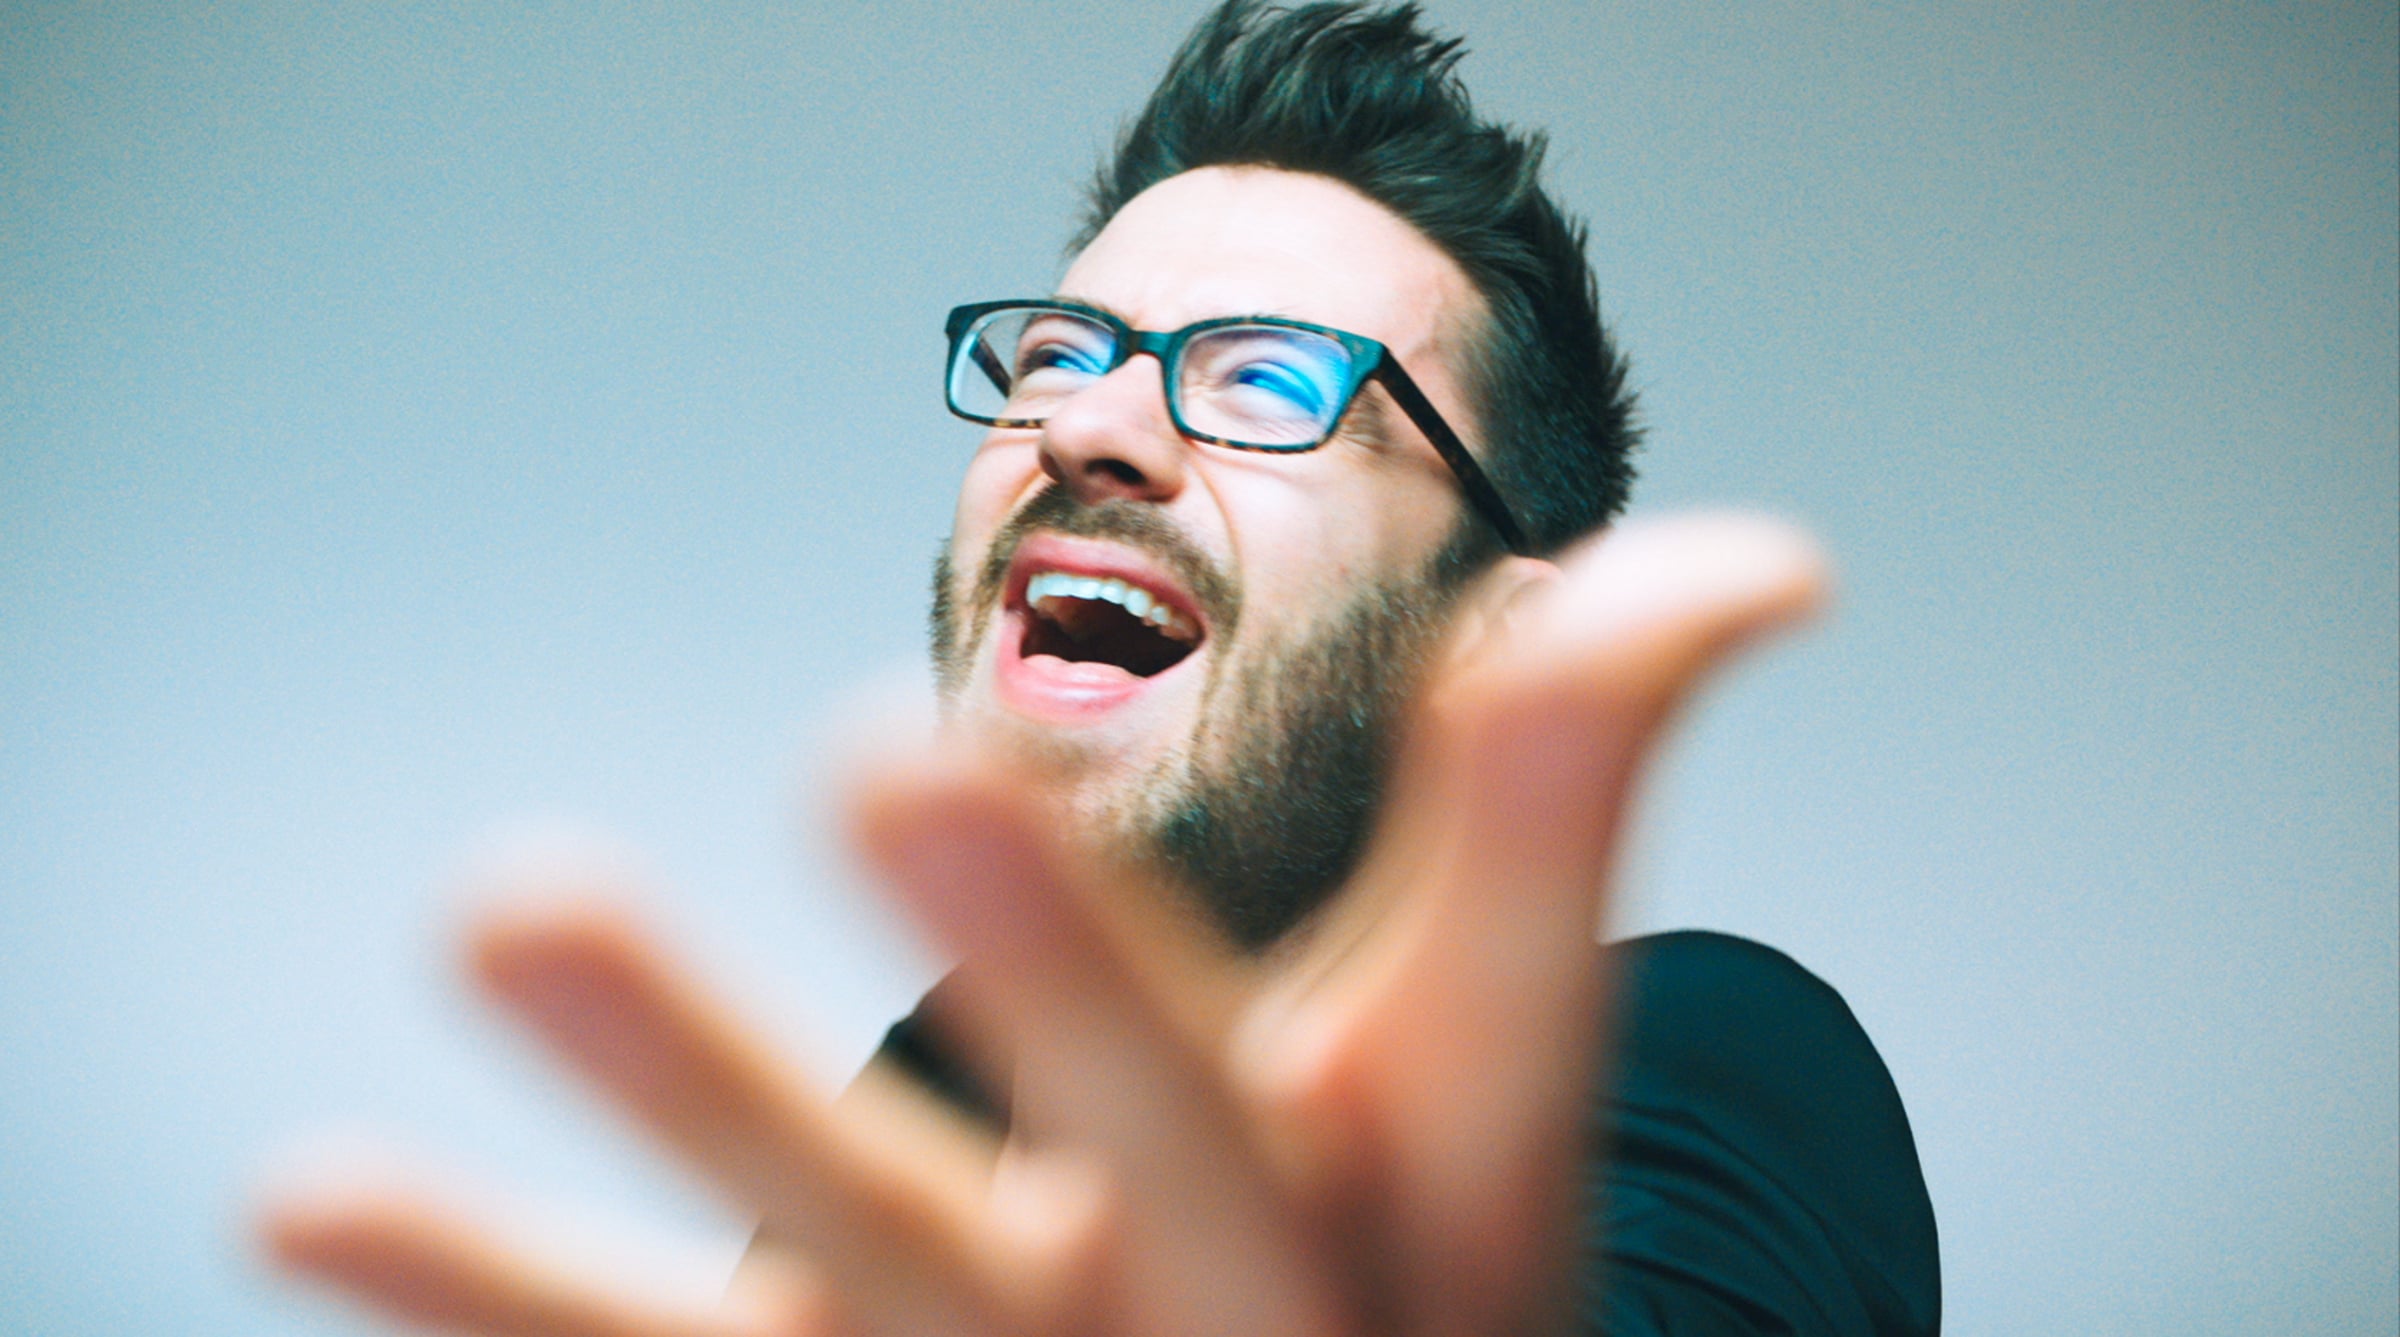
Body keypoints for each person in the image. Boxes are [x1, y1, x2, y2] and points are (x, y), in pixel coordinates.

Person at [257, 2, 1940, 1333]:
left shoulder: (1710, 1059)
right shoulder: (931, 1085)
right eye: (1060, 353)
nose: (1086, 424)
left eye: (1271, 378)